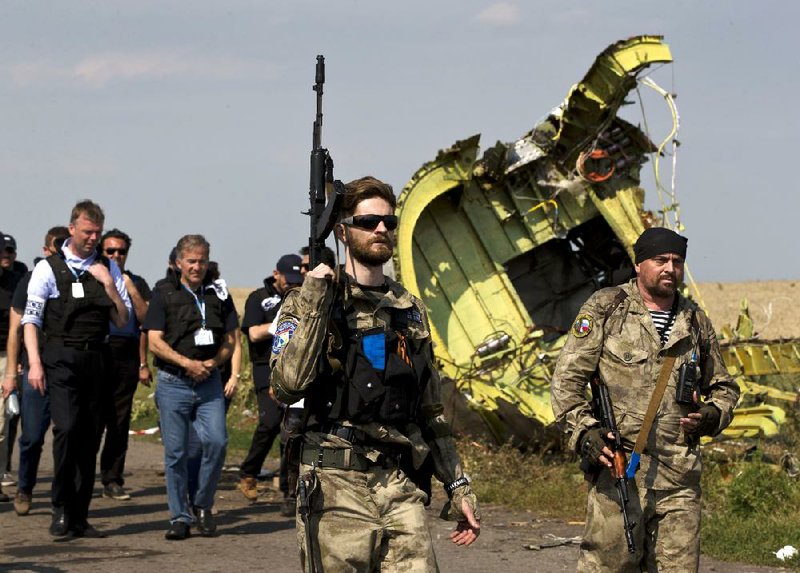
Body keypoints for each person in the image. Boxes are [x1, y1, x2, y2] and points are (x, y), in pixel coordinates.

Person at [271, 176, 481, 572]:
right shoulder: (308, 301)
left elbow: (430, 410)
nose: (381, 229)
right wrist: (317, 299)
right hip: (334, 486)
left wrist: (458, 486)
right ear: (342, 231)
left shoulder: (409, 310)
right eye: (368, 222)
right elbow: (287, 386)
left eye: (388, 221)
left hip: (398, 483)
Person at [550, 227, 740, 572]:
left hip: (679, 477)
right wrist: (586, 433)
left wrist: (713, 415)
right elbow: (566, 382)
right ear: (639, 265)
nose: (670, 268)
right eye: (660, 260)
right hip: (619, 471)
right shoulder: (607, 308)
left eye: (677, 262)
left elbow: (724, 387)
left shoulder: (695, 321)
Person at [22, 202, 131, 538]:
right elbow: (31, 320)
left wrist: (109, 285)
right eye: (87, 232)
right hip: (60, 355)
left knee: (89, 437)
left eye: (98, 233)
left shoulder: (106, 268)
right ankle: (60, 508)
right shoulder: (48, 269)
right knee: (67, 429)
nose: (93, 239)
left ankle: (80, 516)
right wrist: (35, 364)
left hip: (97, 357)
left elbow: (122, 320)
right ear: (72, 229)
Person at [143, 234, 237, 541]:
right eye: (192, 261)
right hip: (174, 382)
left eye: (202, 261)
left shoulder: (219, 293)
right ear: (179, 262)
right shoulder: (163, 292)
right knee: (177, 453)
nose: (197, 267)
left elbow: (231, 339)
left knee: (217, 442)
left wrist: (214, 364)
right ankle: (179, 517)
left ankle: (203, 505)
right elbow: (154, 341)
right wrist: (187, 363)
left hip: (209, 381)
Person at [3, 226, 69, 515]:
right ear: (46, 250)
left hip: (68, 369)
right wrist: (11, 374)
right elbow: (16, 330)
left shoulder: (82, 276)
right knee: (31, 436)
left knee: (67, 433)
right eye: (56, 247)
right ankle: (25, 486)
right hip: (36, 368)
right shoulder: (30, 279)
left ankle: (64, 497)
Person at [238, 253, 304, 515]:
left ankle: (288, 491)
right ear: (276, 273)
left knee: (291, 427)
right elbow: (253, 333)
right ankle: (249, 472)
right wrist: (278, 326)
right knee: (269, 422)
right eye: (289, 279)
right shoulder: (258, 298)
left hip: (292, 366)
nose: (292, 284)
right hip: (265, 366)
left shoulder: (299, 296)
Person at [97, 228, 152, 501]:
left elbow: (146, 319)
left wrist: (128, 286)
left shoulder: (137, 281)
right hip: (97, 350)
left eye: (121, 251)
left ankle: (112, 478)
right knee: (92, 419)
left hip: (126, 353)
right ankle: (80, 476)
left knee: (119, 421)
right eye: (110, 251)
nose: (116, 255)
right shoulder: (93, 276)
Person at [0, 233, 28, 491]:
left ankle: (2, 469)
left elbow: (19, 328)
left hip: (5, 357)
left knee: (5, 419)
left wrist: (17, 360)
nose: (7, 255)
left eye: (10, 251)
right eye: (3, 251)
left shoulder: (17, 281)